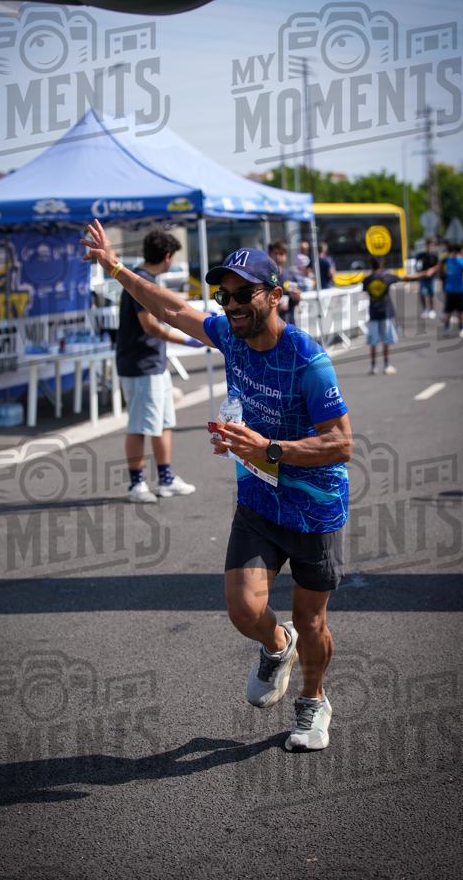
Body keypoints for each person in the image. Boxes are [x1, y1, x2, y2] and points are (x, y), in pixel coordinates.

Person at [82, 220, 352, 752]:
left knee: (311, 619)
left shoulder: (308, 360)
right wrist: (115, 270)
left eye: (243, 294)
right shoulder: (230, 336)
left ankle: (313, 701)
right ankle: (277, 646)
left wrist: (267, 448)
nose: (231, 304)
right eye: (224, 295)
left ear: (274, 295)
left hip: (314, 508)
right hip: (258, 499)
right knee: (244, 610)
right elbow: (171, 309)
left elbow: (341, 444)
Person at [116, 229, 199, 504]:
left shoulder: (142, 278)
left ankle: (166, 480)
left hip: (153, 363)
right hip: (140, 364)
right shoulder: (141, 281)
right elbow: (149, 325)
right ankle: (136, 485)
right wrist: (185, 340)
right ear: (167, 257)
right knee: (139, 426)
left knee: (163, 422)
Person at [363, 255, 423, 375]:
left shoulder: (367, 280)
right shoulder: (386, 276)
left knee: (373, 342)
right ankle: (386, 365)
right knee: (386, 340)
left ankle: (373, 366)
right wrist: (423, 273)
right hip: (386, 312)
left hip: (373, 313)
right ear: (381, 265)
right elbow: (405, 277)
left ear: (370, 265)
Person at [269, 239, 300, 325]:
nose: (278, 256)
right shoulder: (265, 276)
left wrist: (297, 298)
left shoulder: (290, 276)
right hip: (271, 324)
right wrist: (276, 309)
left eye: (281, 254)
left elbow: (294, 301)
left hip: (288, 322)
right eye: (275, 253)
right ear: (269, 254)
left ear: (285, 256)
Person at [415, 239, 440, 319]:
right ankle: (424, 309)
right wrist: (419, 273)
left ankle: (432, 310)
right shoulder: (421, 255)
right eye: (428, 245)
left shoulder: (434, 256)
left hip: (432, 278)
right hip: (423, 278)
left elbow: (438, 266)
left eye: (430, 245)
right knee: (422, 293)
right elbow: (416, 265)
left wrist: (431, 270)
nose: (429, 247)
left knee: (432, 294)